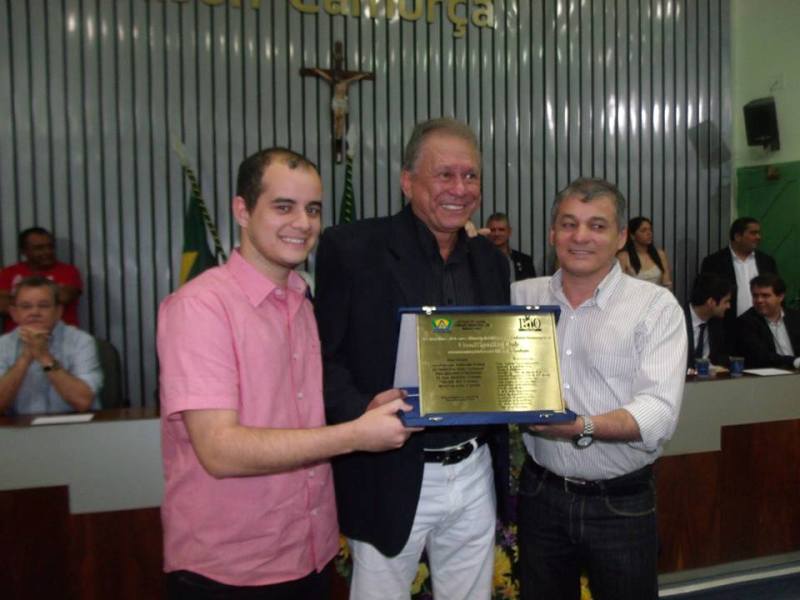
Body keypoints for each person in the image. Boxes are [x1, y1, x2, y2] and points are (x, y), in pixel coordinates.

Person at [157, 148, 417, 599]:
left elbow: (301, 413)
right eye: (283, 206)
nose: (303, 223)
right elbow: (221, 450)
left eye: (312, 209)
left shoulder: (300, 301)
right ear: (242, 209)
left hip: (308, 555)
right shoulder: (200, 308)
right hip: (229, 572)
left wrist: (366, 410)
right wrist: (355, 434)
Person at [315, 118, 510, 599]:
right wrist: (364, 412)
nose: (460, 189)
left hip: (474, 469)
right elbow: (321, 358)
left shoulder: (491, 261)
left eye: (471, 176)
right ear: (407, 181)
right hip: (392, 470)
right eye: (445, 175)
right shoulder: (353, 249)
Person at [511, 178, 687, 600]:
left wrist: (579, 426)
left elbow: (659, 413)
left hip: (620, 503)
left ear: (621, 236)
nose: (581, 237)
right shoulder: (520, 296)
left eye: (597, 226)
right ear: (552, 232)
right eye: (569, 224)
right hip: (540, 496)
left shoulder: (655, 307)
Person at [0, 276, 101, 415]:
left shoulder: (81, 342)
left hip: (73, 429)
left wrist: (44, 356)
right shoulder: (3, 345)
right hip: (18, 432)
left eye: (43, 306)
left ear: (58, 311)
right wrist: (25, 358)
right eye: (26, 306)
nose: (34, 312)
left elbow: (82, 402)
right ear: (14, 313)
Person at [700, 217, 778, 337]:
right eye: (753, 233)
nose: (758, 237)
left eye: (759, 233)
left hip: (763, 329)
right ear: (737, 236)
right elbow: (707, 296)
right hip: (727, 329)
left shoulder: (767, 262)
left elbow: (777, 292)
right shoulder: (714, 262)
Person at [0, 227, 83, 332]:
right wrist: (48, 298)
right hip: (18, 339)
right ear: (23, 251)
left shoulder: (68, 271)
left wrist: (16, 300)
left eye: (50, 247)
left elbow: (65, 297)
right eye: (39, 248)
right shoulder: (9, 272)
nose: (47, 252)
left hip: (61, 339)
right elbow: (2, 306)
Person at [735, 273, 800, 370]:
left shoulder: (796, 317)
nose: (759, 300)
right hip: (768, 378)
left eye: (765, 295)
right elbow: (761, 356)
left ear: (781, 297)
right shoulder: (745, 322)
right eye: (755, 296)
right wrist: (795, 361)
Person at [684, 273, 733, 370]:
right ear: (711, 302)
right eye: (726, 301)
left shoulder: (717, 323)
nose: (729, 306)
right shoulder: (678, 320)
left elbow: (719, 357)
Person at [616, 216, 673, 289]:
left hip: (657, 297)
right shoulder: (623, 257)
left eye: (650, 230)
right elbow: (619, 287)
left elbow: (667, 282)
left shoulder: (660, 254)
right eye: (643, 230)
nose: (649, 233)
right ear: (632, 235)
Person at [485, 212, 537, 281]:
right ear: (487, 233)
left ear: (509, 232)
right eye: (493, 230)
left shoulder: (525, 261)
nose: (497, 234)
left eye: (501, 230)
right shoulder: (478, 260)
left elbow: (531, 287)